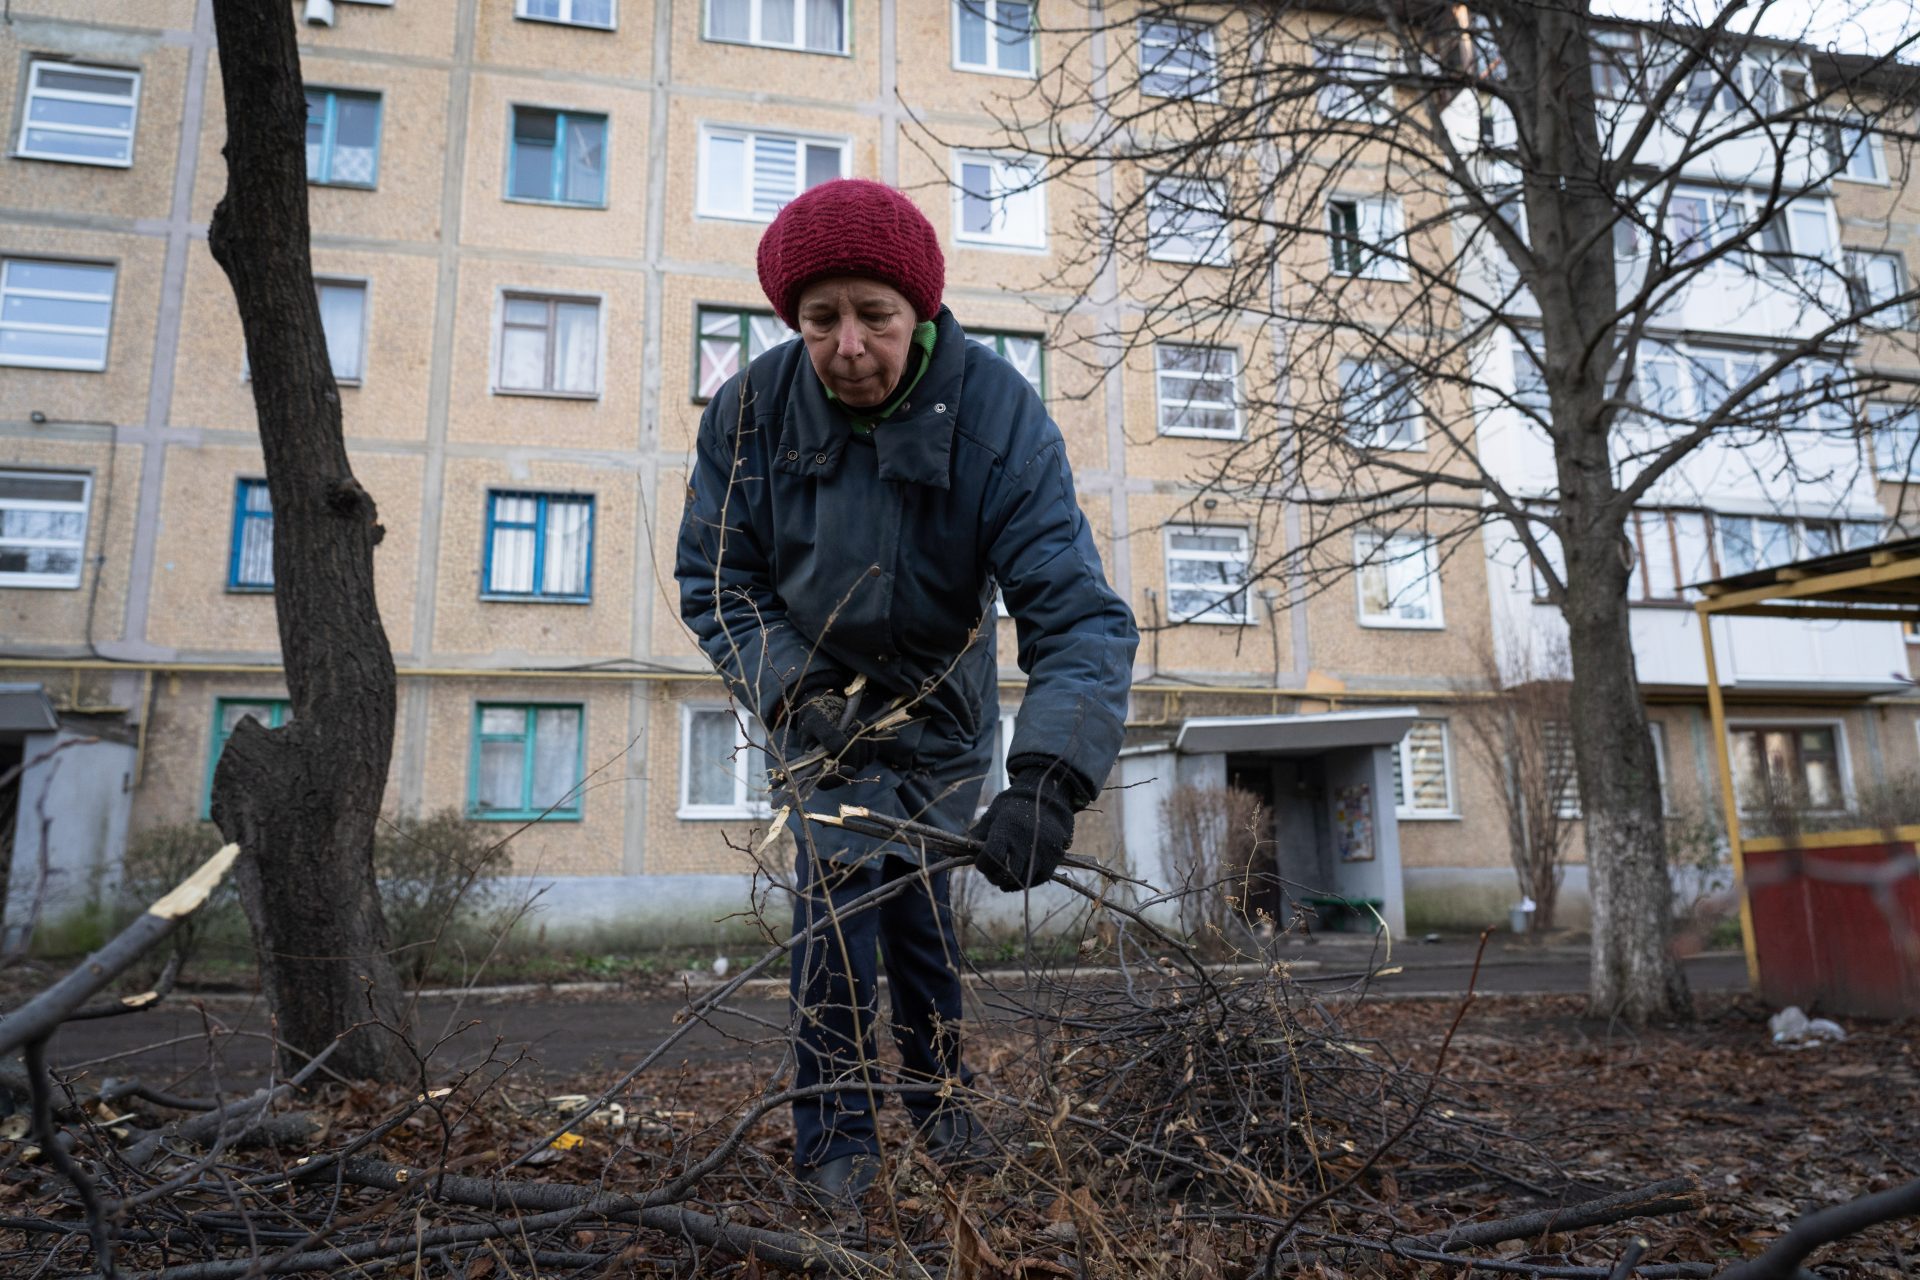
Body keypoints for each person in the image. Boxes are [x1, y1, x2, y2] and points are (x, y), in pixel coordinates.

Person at [675, 178, 1137, 1201]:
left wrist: (1049, 778)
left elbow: (1075, 611)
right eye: (820, 318)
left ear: (918, 311)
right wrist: (795, 690)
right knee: (841, 891)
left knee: (918, 894)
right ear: (793, 320)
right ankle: (835, 1133)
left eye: (875, 317)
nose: (848, 345)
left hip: (941, 707)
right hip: (817, 703)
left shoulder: (998, 413)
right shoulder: (748, 413)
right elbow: (718, 582)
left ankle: (938, 1098)